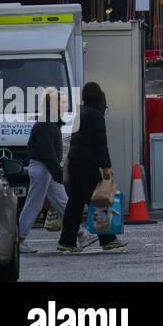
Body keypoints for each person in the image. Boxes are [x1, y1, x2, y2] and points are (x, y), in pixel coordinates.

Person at [58, 82, 126, 253]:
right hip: (87, 165)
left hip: (75, 163)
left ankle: (66, 241)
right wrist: (106, 166)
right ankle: (108, 239)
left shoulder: (80, 114)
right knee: (100, 201)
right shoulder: (96, 115)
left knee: (75, 204)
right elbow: (100, 144)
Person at [18, 89, 69, 251]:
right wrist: (59, 174)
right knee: (34, 204)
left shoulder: (49, 122)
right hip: (43, 168)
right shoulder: (46, 124)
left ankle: (80, 234)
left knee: (62, 201)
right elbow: (48, 154)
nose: (65, 104)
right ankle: (18, 240)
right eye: (61, 102)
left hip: (46, 169)